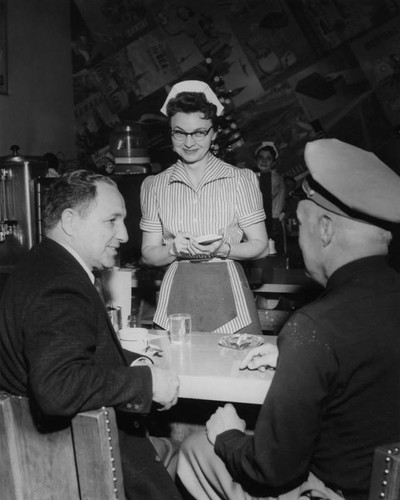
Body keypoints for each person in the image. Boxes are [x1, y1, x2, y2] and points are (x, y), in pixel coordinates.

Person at [177, 138, 400, 500]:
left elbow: (272, 468)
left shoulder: (314, 327)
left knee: (195, 449)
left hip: (333, 492)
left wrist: (228, 434)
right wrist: (302, 357)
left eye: (302, 224)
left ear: (325, 229)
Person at [0, 170, 182, 500]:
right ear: (70, 221)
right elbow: (57, 387)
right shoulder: (61, 285)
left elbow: (73, 348)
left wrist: (137, 361)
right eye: (112, 220)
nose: (125, 235)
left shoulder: (41, 265)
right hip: (86, 466)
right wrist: (148, 383)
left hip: (51, 455)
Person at [140, 80, 269, 334]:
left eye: (199, 132)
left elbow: (261, 246)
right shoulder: (154, 185)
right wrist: (173, 248)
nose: (189, 142)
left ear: (213, 133)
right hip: (177, 294)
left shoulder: (240, 180)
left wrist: (224, 248)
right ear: (171, 133)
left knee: (237, 370)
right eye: (180, 132)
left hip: (229, 293)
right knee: (175, 371)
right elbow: (148, 253)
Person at [255, 141, 286, 253]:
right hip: (265, 222)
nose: (263, 161)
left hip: (271, 224)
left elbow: (262, 200)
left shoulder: (274, 178)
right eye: (261, 157)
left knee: (272, 258)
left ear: (273, 162)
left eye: (268, 158)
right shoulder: (260, 177)